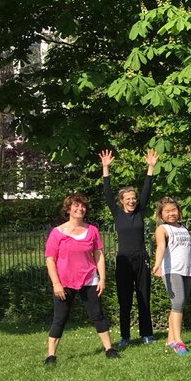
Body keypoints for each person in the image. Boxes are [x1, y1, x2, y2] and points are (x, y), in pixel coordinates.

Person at [44, 194, 119, 364]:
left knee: (97, 315)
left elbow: (98, 255)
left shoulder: (92, 230)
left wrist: (102, 278)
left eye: (83, 206)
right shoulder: (56, 233)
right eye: (76, 206)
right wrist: (56, 283)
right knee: (60, 318)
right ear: (68, 209)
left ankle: (109, 349)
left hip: (89, 279)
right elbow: (50, 259)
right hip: (64, 281)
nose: (80, 209)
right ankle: (51, 356)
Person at [100, 148, 157, 347]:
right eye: (128, 199)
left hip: (141, 258)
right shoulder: (117, 213)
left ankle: (146, 334)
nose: (132, 201)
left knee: (143, 297)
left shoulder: (140, 211)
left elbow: (147, 189)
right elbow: (107, 192)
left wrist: (151, 167)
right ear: (121, 201)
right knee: (124, 299)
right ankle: (125, 336)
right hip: (124, 260)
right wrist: (105, 168)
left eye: (134, 198)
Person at [152, 197, 191, 355]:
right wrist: (157, 265)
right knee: (178, 302)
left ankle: (170, 340)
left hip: (186, 270)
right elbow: (161, 247)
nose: (171, 213)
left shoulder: (183, 228)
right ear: (161, 214)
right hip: (172, 270)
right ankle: (178, 341)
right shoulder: (162, 229)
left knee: (179, 304)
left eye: (174, 210)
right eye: (167, 211)